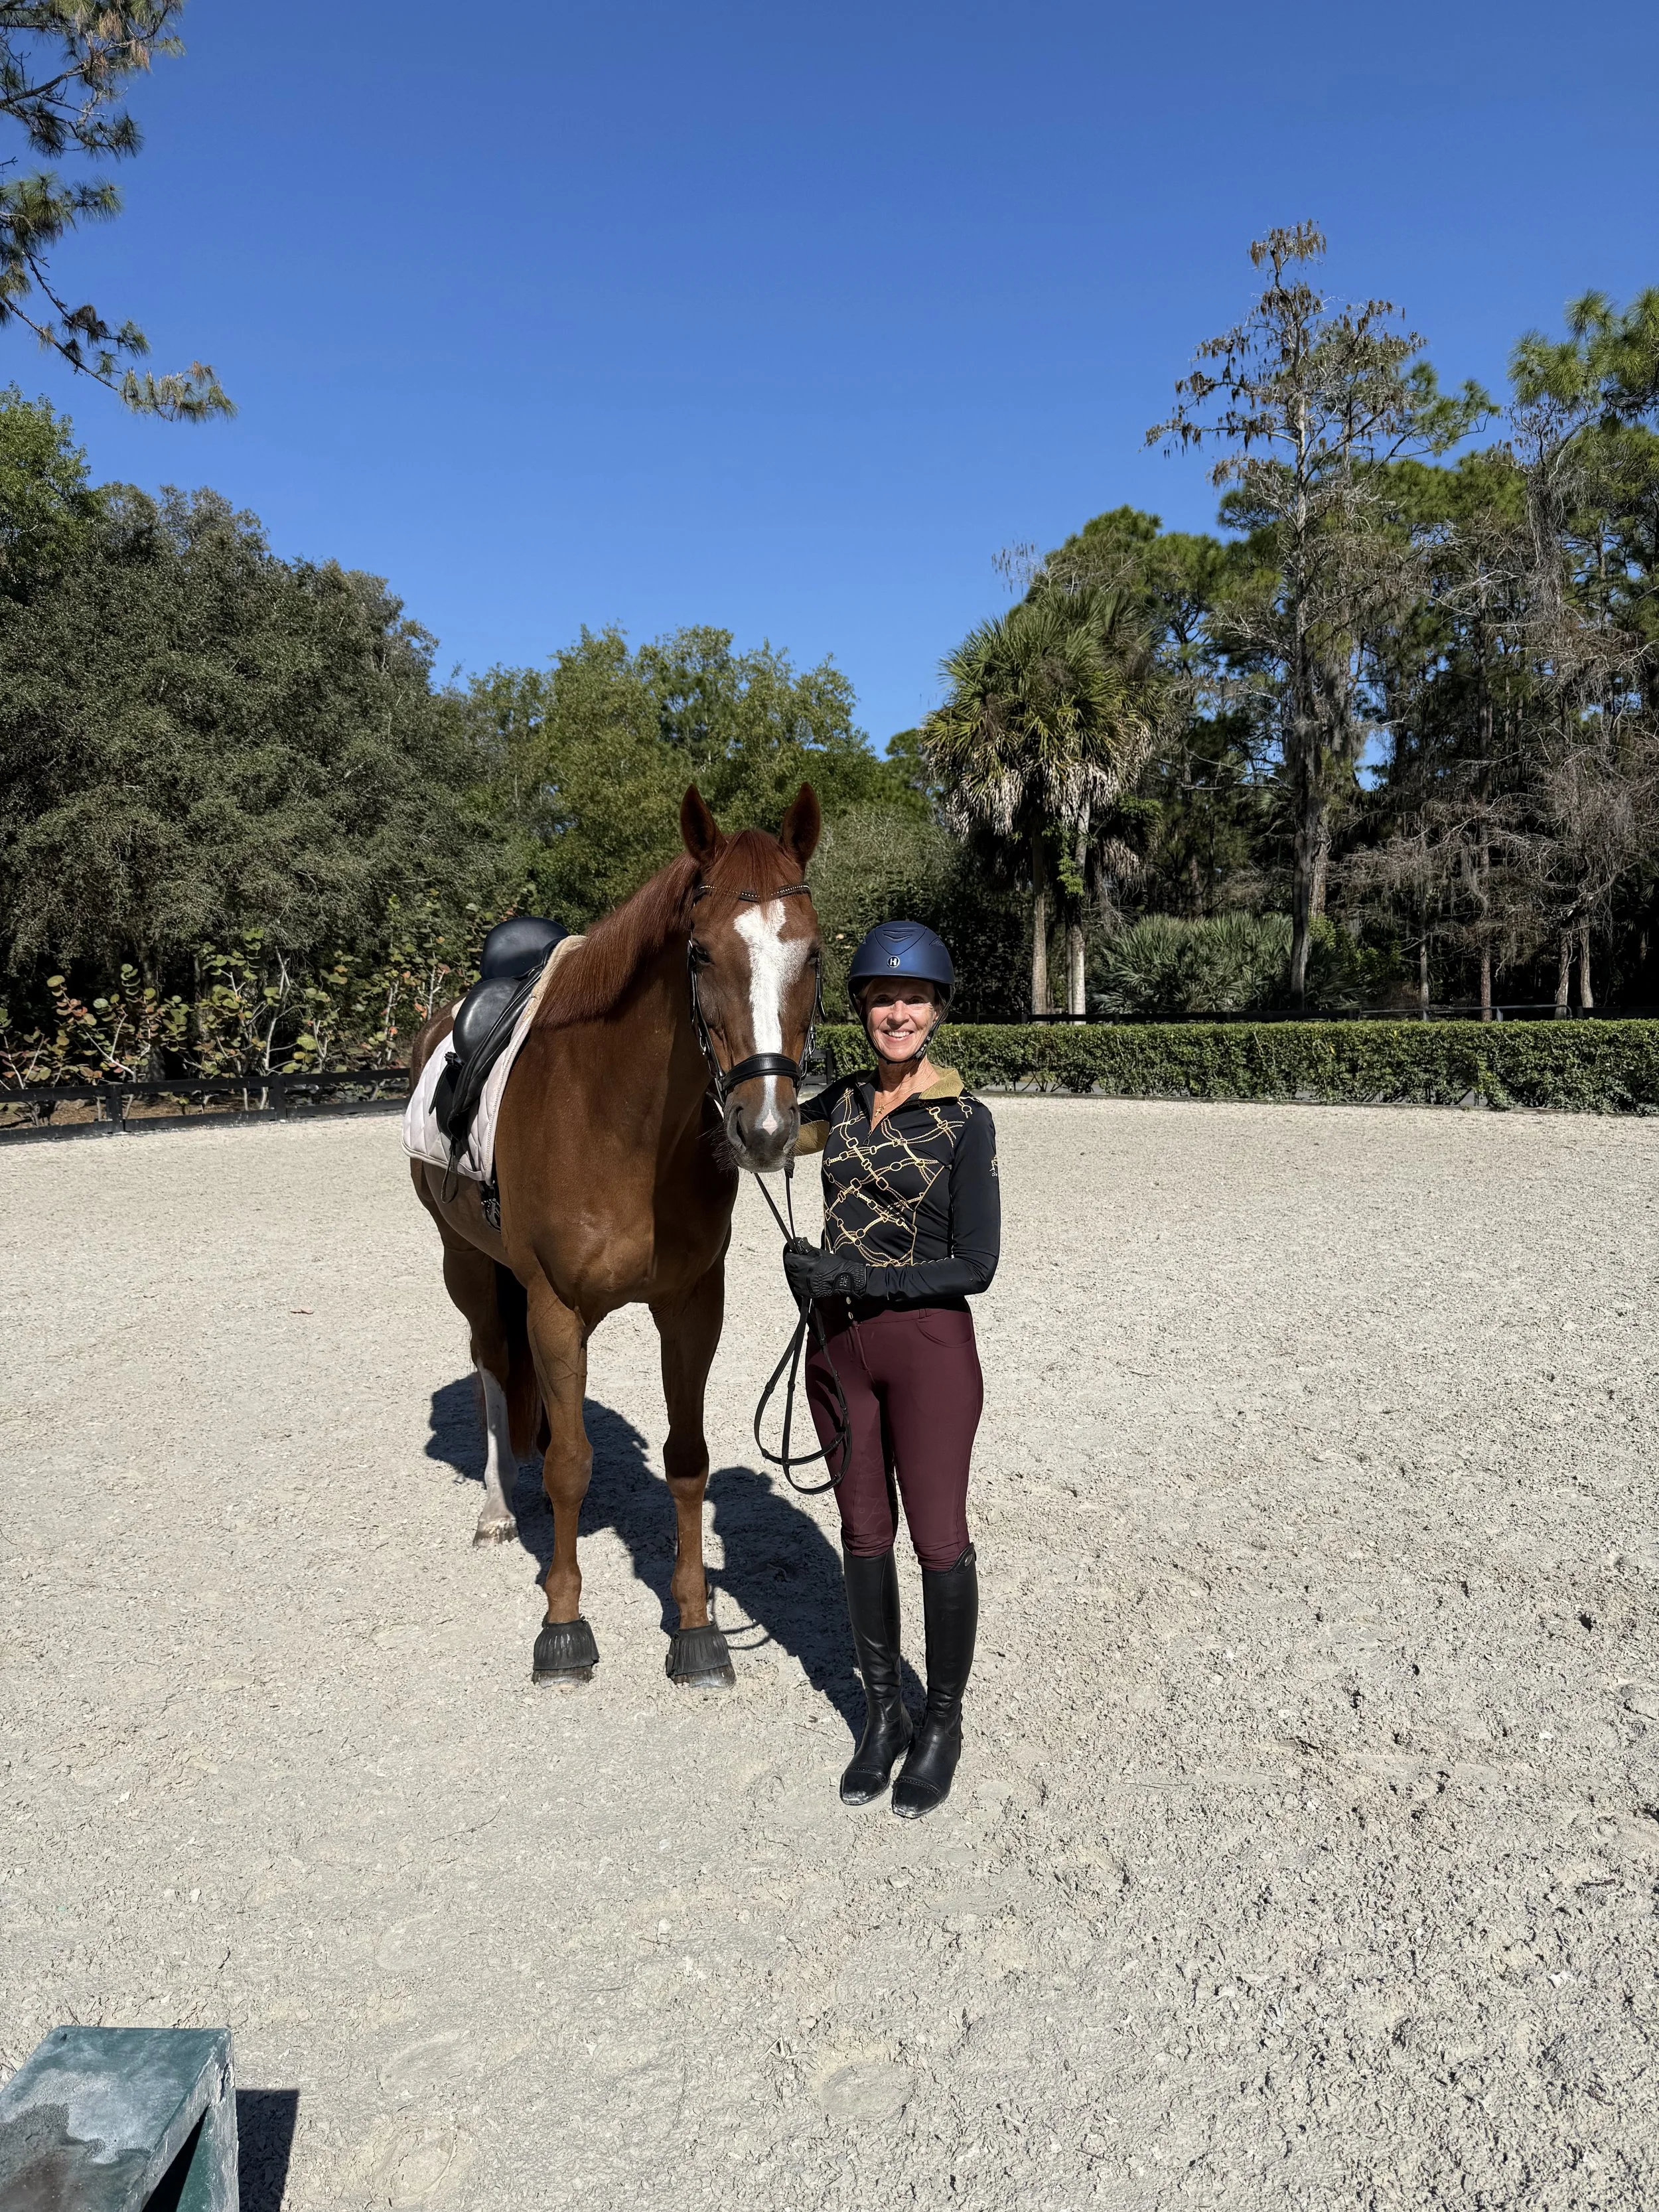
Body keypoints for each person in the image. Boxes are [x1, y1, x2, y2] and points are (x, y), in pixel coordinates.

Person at [786, 920, 999, 1818]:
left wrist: (862, 1275)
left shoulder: (965, 1120)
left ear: (937, 1011)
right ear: (864, 1012)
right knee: (864, 1534)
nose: (897, 1014)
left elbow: (977, 1264)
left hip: (927, 1351)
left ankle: (941, 1723)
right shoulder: (833, 1107)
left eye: (913, 999)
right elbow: (743, 1138)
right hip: (836, 1350)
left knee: (937, 1538)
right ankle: (882, 1715)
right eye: (882, 1000)